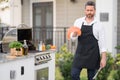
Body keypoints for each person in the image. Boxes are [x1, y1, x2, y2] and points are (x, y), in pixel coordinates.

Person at [71, 1, 107, 80]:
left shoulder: (99, 25)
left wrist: (104, 58)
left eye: (91, 10)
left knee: (91, 77)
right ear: (85, 10)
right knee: (74, 74)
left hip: (93, 54)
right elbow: (73, 38)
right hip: (80, 53)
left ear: (95, 11)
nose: (89, 12)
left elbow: (102, 43)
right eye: (87, 10)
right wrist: (74, 34)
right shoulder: (78, 22)